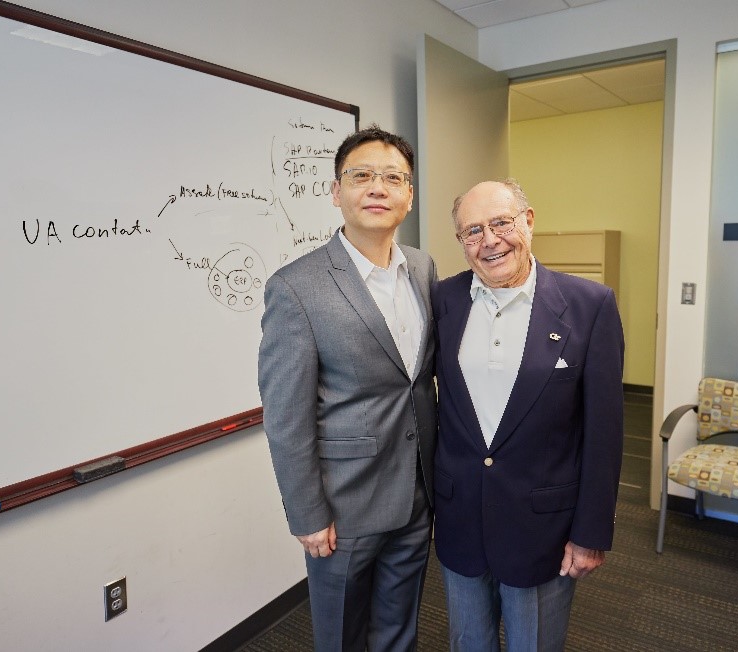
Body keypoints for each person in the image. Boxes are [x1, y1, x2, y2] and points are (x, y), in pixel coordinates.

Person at [258, 125, 438, 651]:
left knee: (399, 629)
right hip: (344, 507)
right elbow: (286, 417)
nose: (377, 188)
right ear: (337, 193)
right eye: (361, 176)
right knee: (341, 635)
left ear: (409, 195)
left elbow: (418, 386)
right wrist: (308, 514)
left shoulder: (424, 269)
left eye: (393, 178)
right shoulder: (296, 287)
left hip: (416, 494)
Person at [432, 179, 624, 651]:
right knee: (467, 644)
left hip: (544, 525)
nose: (490, 241)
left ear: (529, 222)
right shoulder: (443, 300)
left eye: (501, 223)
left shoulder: (589, 305)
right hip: (461, 518)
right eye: (472, 232)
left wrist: (591, 531)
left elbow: (604, 431)